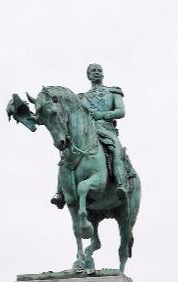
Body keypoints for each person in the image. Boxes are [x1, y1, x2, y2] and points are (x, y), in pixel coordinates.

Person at [50, 63, 133, 209]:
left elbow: (121, 112)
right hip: (86, 132)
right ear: (88, 75)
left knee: (116, 150)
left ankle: (122, 185)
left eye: (99, 70)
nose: (97, 72)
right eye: (93, 71)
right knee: (66, 155)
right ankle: (60, 193)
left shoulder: (113, 91)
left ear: (103, 74)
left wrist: (102, 115)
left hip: (106, 128)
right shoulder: (81, 98)